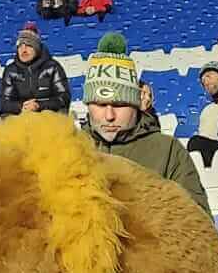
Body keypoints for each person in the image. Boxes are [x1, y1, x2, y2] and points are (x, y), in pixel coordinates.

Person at [81, 33, 209, 212]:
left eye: (119, 105)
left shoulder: (168, 151)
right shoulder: (69, 150)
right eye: (100, 105)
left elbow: (199, 227)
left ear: (136, 103)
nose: (109, 116)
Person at [1, 25, 71, 116]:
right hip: (22, 115)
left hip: (49, 116)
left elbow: (63, 98)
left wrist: (39, 105)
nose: (24, 50)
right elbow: (4, 102)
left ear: (37, 48)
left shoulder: (53, 67)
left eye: (29, 46)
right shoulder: (10, 70)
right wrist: (21, 106)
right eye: (20, 46)